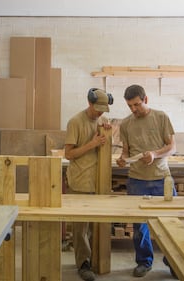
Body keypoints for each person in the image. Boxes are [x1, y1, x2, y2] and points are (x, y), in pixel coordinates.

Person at [116, 84, 178, 278]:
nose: (134, 109)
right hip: (137, 179)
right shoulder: (126, 124)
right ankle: (144, 262)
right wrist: (122, 158)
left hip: (161, 178)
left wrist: (154, 154)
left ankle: (173, 262)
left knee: (171, 224)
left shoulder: (161, 117)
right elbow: (126, 150)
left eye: (137, 104)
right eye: (130, 106)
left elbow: (172, 147)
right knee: (139, 226)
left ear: (146, 99)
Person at [64, 88, 113, 281]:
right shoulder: (75, 122)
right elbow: (68, 154)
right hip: (80, 181)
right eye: (98, 109)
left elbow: (105, 149)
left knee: (97, 226)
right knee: (80, 228)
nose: (100, 113)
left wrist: (109, 135)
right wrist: (92, 144)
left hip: (98, 182)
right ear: (89, 103)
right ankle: (83, 264)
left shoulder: (102, 121)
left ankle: (94, 261)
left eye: (103, 109)